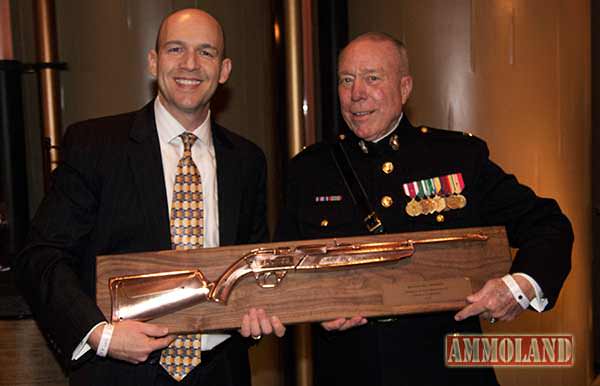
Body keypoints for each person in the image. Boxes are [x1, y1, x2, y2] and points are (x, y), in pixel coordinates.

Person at [275, 32, 573, 386]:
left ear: (404, 88)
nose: (357, 94)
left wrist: (517, 288)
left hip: (444, 371)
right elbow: (284, 268)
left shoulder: (456, 157)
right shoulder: (309, 170)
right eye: (346, 80)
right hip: (348, 369)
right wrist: (316, 309)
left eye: (372, 78)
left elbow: (549, 225)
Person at [15, 8, 284, 386]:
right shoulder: (96, 146)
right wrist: (101, 335)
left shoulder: (248, 160)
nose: (190, 64)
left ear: (224, 71)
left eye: (206, 52)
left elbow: (250, 265)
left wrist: (255, 319)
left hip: (222, 372)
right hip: (119, 373)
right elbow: (41, 256)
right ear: (154, 62)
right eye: (176, 49)